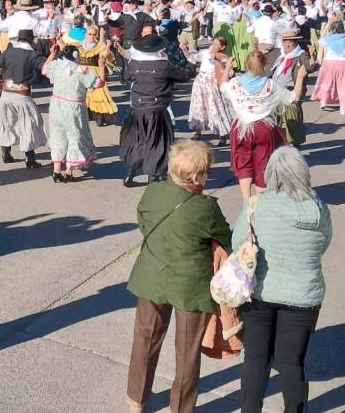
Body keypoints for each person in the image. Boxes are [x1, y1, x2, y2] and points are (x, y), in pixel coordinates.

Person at [125, 140, 232, 413]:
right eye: (206, 171)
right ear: (194, 176)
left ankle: (136, 399)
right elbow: (225, 236)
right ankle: (182, 408)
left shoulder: (154, 192)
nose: (208, 176)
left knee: (145, 339)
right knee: (187, 351)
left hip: (151, 276)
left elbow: (143, 220)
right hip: (190, 285)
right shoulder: (205, 208)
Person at [234, 147, 332, 413]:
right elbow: (323, 243)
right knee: (292, 363)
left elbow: (237, 242)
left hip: (260, 294)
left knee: (255, 359)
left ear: (270, 173)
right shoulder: (318, 206)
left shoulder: (257, 204)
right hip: (303, 297)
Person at [119, 32, 195, 188]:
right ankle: (153, 177)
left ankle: (132, 171)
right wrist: (191, 62)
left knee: (139, 141)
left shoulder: (134, 63)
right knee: (158, 143)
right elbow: (185, 75)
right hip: (157, 109)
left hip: (137, 109)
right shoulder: (163, 65)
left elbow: (123, 78)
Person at [222, 51, 293, 202]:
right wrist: (300, 77)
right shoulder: (270, 84)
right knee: (263, 165)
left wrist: (228, 67)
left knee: (243, 164)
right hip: (263, 127)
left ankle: (247, 203)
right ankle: (261, 202)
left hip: (241, 127)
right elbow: (292, 99)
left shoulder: (235, 83)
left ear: (246, 65)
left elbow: (222, 86)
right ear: (264, 65)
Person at [42, 43, 104, 182]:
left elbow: (44, 68)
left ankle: (56, 171)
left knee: (58, 137)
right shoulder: (81, 71)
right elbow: (99, 83)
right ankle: (69, 171)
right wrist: (101, 65)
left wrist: (52, 54)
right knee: (74, 138)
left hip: (56, 105)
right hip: (73, 108)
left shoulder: (56, 65)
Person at [0, 28, 48, 168]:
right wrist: (53, 55)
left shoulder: (9, 52)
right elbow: (44, 66)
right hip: (22, 96)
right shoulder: (32, 55)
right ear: (30, 40)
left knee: (7, 123)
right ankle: (30, 158)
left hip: (6, 95)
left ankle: (6, 153)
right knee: (28, 125)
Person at [269, 29, 314, 146]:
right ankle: (279, 140)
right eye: (285, 41)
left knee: (293, 118)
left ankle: (295, 141)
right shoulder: (279, 54)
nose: (287, 44)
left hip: (291, 90)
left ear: (295, 42)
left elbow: (310, 67)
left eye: (290, 42)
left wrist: (313, 56)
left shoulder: (301, 54)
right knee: (276, 118)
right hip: (275, 91)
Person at [187, 36, 233, 143]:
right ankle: (198, 131)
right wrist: (185, 50)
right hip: (200, 82)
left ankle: (221, 134)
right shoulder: (205, 52)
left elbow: (229, 73)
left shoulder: (224, 57)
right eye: (213, 43)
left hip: (212, 83)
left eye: (217, 44)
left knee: (215, 107)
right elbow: (193, 58)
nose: (213, 46)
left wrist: (218, 61)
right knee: (199, 107)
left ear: (222, 47)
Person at [311, 19, 345, 114]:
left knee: (327, 82)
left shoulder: (327, 38)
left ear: (332, 29)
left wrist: (326, 28)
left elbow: (320, 42)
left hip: (328, 62)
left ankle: (323, 102)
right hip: (343, 63)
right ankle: (343, 107)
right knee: (344, 85)